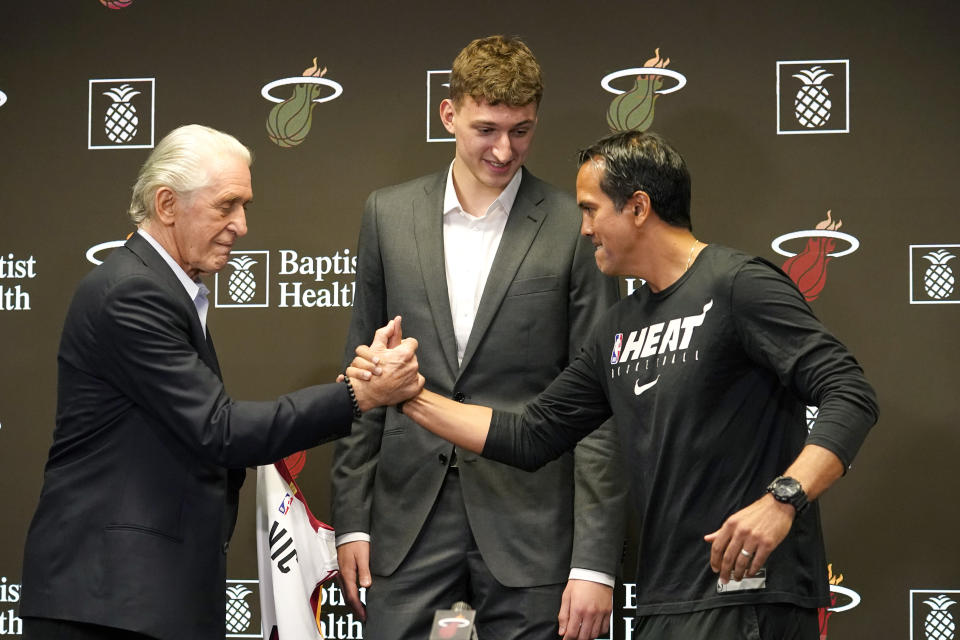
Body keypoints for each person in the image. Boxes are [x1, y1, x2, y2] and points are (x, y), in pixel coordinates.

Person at [352, 130, 879, 640]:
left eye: (590, 209)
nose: (583, 229)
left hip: (750, 596)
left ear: (638, 208)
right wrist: (407, 395)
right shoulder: (619, 326)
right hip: (664, 599)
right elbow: (532, 433)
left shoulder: (738, 284)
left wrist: (783, 499)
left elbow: (849, 393)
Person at [19, 124, 422, 640]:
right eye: (227, 205)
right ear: (167, 204)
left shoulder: (157, 287)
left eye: (245, 206)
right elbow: (221, 430)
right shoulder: (132, 293)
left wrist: (353, 385)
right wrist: (358, 394)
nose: (243, 225)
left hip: (137, 598)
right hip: (110, 604)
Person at [331, 35, 627, 640]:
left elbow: (598, 402)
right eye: (486, 128)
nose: (503, 149)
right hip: (406, 516)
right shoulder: (387, 214)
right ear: (448, 114)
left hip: (533, 524)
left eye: (521, 131)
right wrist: (352, 522)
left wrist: (594, 559)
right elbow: (361, 371)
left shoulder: (577, 223)